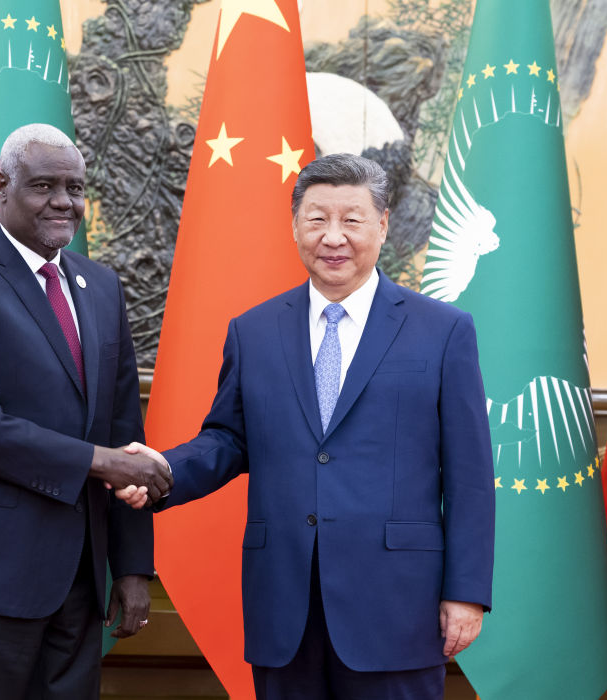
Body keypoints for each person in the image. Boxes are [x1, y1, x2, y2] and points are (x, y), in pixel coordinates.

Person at [123, 154, 495, 699]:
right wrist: (162, 470)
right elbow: (228, 439)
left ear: (383, 225)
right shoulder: (254, 331)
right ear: (295, 226)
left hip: (396, 605)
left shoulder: (442, 331)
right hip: (285, 604)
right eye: (317, 219)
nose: (333, 237)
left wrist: (465, 592)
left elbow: (469, 476)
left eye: (352, 220)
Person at [0, 123, 173, 699]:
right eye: (44, 186)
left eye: (75, 188)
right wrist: (99, 462)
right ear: (3, 186)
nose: (63, 202)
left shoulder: (101, 287)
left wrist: (131, 567)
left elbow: (124, 432)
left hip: (79, 578)